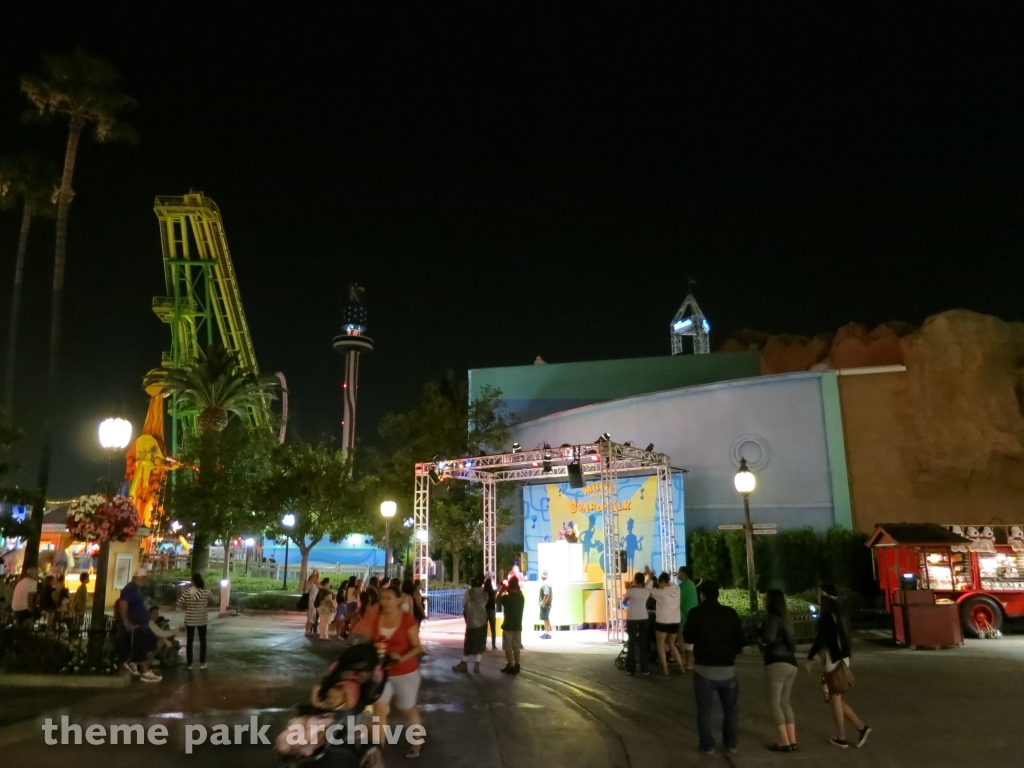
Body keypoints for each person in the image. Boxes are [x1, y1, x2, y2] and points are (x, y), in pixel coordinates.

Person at [683, 580, 746, 755]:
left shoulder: (696, 613)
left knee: (704, 710)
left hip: (703, 669)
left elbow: (688, 637)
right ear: (718, 594)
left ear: (702, 595)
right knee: (730, 710)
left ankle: (707, 744)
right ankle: (731, 743)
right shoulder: (730, 613)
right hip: (728, 669)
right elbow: (741, 640)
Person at [808, 584, 871, 749]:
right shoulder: (841, 613)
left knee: (834, 697)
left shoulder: (827, 615)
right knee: (834, 697)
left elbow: (821, 639)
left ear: (824, 596)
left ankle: (842, 736)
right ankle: (860, 727)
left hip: (833, 659)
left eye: (820, 593)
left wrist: (810, 657)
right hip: (844, 658)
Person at [372, 584, 425, 758]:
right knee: (379, 709)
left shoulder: (407, 619)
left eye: (389, 598)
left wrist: (401, 657)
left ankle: (417, 741)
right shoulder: (378, 617)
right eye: (382, 598)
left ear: (399, 600)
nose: (385, 602)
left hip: (405, 672)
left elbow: (417, 647)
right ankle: (377, 749)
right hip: (382, 673)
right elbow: (372, 642)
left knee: (407, 709)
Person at [759, 589, 798, 752]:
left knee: (774, 703)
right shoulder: (787, 618)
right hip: (791, 662)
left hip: (776, 662)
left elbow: (769, 637)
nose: (763, 601)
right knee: (785, 702)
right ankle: (792, 740)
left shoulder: (772, 618)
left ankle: (784, 742)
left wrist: (761, 638)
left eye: (765, 598)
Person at [119, 567, 162, 683]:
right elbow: (123, 606)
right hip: (136, 625)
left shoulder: (135, 589)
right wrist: (126, 622)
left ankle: (135, 663)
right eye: (144, 578)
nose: (145, 580)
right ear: (138, 577)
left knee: (151, 644)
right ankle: (145, 672)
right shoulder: (130, 589)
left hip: (142, 624)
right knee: (141, 648)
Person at [453, 575, 489, 673]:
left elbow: (464, 604)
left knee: (468, 644)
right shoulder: (485, 594)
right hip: (482, 621)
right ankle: (477, 664)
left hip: (471, 622)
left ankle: (464, 664)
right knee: (480, 644)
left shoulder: (468, 593)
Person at [651, 572, 685, 675]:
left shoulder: (661, 592)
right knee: (672, 644)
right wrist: (668, 580)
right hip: (675, 621)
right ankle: (681, 667)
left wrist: (650, 577)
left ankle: (665, 669)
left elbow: (648, 590)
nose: (659, 585)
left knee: (660, 644)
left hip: (662, 621)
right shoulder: (677, 589)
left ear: (662, 582)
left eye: (659, 583)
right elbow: (672, 583)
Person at [177, 572, 212, 670]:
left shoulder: (187, 591)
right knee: (203, 641)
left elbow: (179, 603)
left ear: (193, 582)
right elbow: (215, 599)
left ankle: (189, 664)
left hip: (190, 620)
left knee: (190, 641)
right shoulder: (206, 591)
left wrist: (186, 607)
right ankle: (202, 663)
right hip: (202, 620)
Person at [622, 572, 652, 676]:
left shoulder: (631, 591)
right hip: (644, 617)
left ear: (635, 580)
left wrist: (628, 588)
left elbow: (624, 602)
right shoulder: (647, 591)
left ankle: (630, 669)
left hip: (632, 618)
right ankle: (645, 669)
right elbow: (650, 580)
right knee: (643, 643)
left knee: (632, 642)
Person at [498, 576, 525, 674]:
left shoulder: (506, 598)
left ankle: (510, 665)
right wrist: (509, 589)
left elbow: (497, 600)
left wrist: (502, 590)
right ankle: (517, 664)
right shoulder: (521, 597)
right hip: (518, 625)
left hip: (508, 625)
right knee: (516, 646)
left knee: (508, 647)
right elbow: (517, 592)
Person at [677, 566, 699, 671]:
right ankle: (690, 661)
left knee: (686, 641)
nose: (677, 574)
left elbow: (678, 601)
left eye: (679, 572)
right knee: (688, 641)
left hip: (685, 616)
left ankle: (688, 663)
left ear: (683, 573)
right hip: (691, 616)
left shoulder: (683, 586)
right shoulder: (691, 584)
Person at [303, 569, 321, 635]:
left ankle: (308, 630)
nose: (316, 579)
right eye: (314, 577)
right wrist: (314, 572)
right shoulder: (310, 584)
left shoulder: (315, 584)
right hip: (311, 602)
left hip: (313, 602)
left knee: (312, 617)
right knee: (310, 617)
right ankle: (307, 631)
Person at [483, 577, 497, 650]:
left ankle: (484, 645)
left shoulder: (483, 592)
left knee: (484, 629)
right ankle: (493, 645)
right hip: (492, 610)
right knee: (493, 629)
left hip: (484, 611)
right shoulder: (493, 592)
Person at [538, 570, 553, 639]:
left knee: (546, 618)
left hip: (545, 604)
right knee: (545, 618)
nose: (541, 575)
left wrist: (543, 603)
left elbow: (546, 595)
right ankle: (546, 632)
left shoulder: (545, 584)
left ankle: (547, 633)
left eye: (542, 574)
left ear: (546, 575)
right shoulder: (545, 583)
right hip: (546, 604)